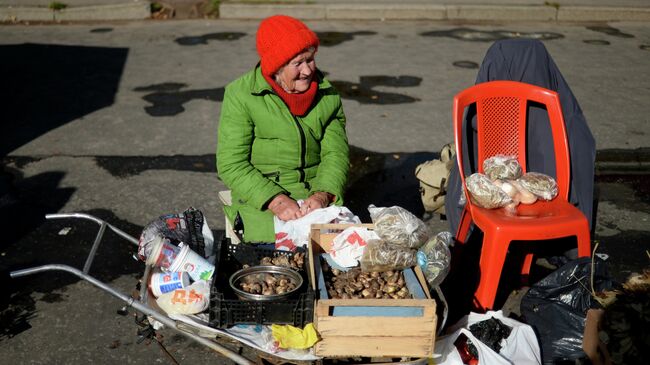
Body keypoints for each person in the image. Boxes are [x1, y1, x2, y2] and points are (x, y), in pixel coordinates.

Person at [217, 15, 349, 243]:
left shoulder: (328, 95)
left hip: (314, 198)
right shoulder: (241, 95)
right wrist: (276, 200)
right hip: (262, 197)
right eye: (297, 63)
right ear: (276, 68)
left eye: (310, 59)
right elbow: (231, 163)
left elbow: (335, 154)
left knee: (340, 255)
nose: (308, 71)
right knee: (275, 260)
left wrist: (323, 194)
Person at [445, 39, 596, 235]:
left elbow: (465, 173)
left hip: (494, 204)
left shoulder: (483, 111)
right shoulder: (566, 117)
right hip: (552, 212)